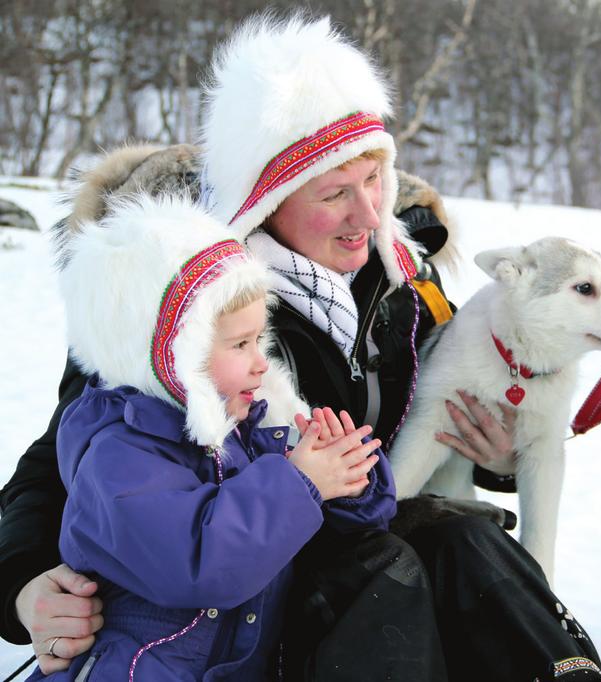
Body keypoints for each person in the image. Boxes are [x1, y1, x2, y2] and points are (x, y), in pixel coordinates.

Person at [1, 13, 601, 682]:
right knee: (386, 566)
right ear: (268, 195)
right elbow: (72, 452)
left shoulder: (405, 284)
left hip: (362, 526)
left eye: (376, 180)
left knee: (467, 537)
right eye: (335, 193)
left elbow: (470, 396)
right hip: (257, 584)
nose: (370, 214)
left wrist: (497, 456)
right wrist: (22, 585)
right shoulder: (176, 304)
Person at [24, 194, 394, 680]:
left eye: (259, 339)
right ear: (170, 354)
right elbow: (202, 561)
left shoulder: (241, 431)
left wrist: (351, 480)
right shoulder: (118, 453)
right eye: (240, 344)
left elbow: (310, 528)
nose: (261, 361)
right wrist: (303, 482)